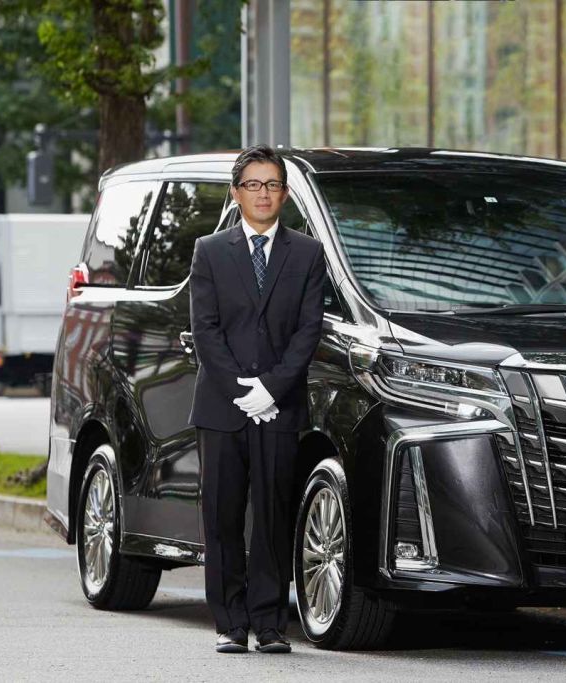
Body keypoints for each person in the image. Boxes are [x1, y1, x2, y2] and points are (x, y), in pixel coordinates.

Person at [187, 144, 326, 654]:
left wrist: (271, 388)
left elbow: (309, 330)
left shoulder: (307, 253)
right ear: (235, 193)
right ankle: (229, 623)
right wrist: (242, 391)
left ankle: (269, 625)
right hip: (222, 408)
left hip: (280, 406)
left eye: (271, 185)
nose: (262, 193)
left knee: (272, 515)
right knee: (222, 517)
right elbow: (205, 330)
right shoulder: (209, 251)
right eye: (252, 184)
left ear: (284, 194)